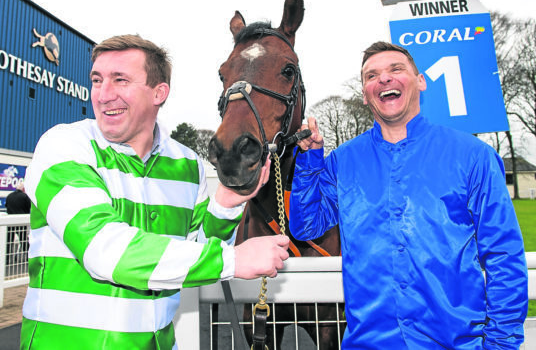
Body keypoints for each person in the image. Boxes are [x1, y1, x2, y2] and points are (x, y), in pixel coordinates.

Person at [21, 34, 289, 349]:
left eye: (120, 80)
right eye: (97, 80)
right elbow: (106, 251)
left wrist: (226, 204)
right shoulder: (62, 146)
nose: (104, 95)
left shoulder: (188, 164)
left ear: (159, 93)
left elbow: (196, 252)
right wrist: (233, 260)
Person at [289, 41, 528, 349]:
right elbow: (306, 226)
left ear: (421, 81)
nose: (384, 79)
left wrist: (501, 344)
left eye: (396, 69)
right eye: (371, 75)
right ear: (364, 94)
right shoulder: (342, 161)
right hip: (368, 343)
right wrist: (310, 162)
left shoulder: (474, 156)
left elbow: (504, 257)